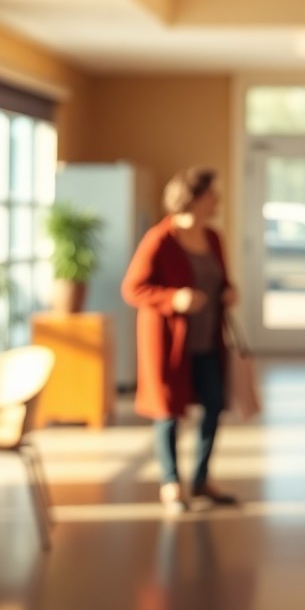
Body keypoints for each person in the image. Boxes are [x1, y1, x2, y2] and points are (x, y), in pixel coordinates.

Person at [122, 167, 239, 513]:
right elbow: (132, 288)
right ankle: (171, 482)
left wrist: (229, 292)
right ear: (194, 198)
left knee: (215, 404)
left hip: (207, 339)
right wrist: (173, 300)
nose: (217, 201)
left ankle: (201, 477)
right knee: (168, 411)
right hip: (168, 342)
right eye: (211, 195)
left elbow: (222, 280)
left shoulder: (214, 237)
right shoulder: (160, 240)